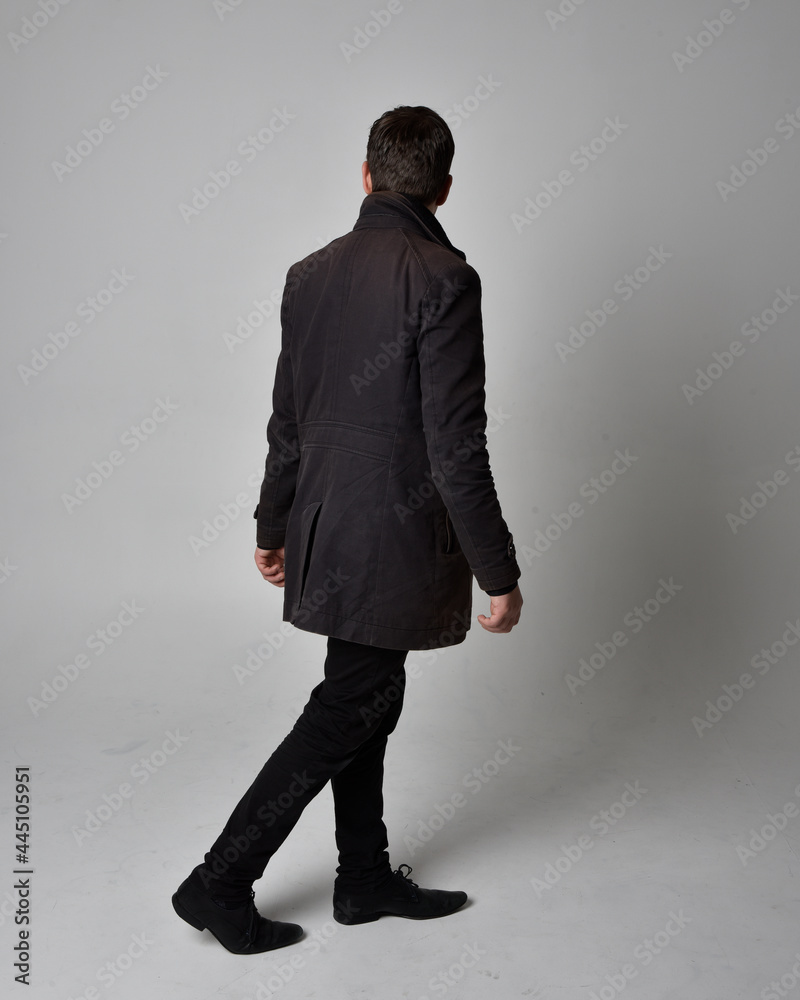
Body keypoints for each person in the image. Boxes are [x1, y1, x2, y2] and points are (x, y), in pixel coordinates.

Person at [172, 105, 523, 955]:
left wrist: (274, 520)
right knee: (350, 704)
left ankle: (363, 878)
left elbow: (286, 420)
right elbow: (456, 447)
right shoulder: (444, 279)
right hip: (390, 542)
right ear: (443, 189)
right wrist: (498, 571)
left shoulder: (308, 274)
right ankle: (218, 882)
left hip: (329, 529)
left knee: (368, 694)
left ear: (366, 176)